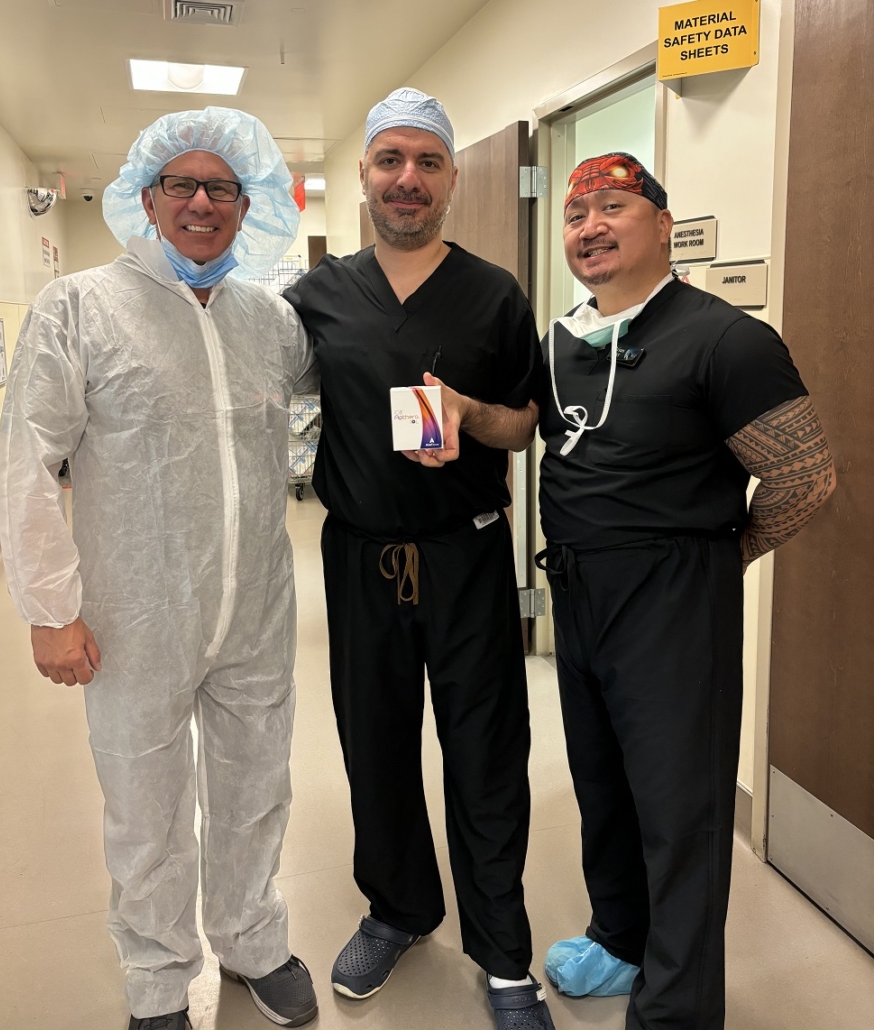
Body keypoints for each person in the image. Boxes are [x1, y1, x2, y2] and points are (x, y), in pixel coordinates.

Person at [0, 107, 319, 1030]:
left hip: (255, 605)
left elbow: (316, 409)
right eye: (181, 184)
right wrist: (50, 607)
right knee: (144, 803)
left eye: (223, 186)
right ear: (147, 198)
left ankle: (253, 938)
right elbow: (28, 457)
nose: (202, 203)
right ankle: (157, 975)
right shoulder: (81, 307)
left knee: (258, 784)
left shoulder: (270, 320)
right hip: (133, 608)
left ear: (247, 203)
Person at [537, 152, 836, 1029]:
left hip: (674, 594)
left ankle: (675, 1010)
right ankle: (619, 938)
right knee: (603, 788)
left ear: (662, 225)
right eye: (574, 212)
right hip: (581, 591)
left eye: (613, 207)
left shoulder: (725, 339)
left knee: (680, 812)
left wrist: (724, 553)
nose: (588, 225)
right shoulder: (560, 341)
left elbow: (805, 478)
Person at [283, 88, 555, 1030]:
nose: (407, 179)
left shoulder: (492, 293)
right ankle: (397, 908)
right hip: (359, 559)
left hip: (467, 556)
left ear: (450, 179)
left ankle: (503, 953)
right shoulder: (313, 297)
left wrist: (473, 418)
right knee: (376, 745)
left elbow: (523, 423)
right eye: (390, 160)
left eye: (427, 162)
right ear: (362, 174)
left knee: (486, 752)